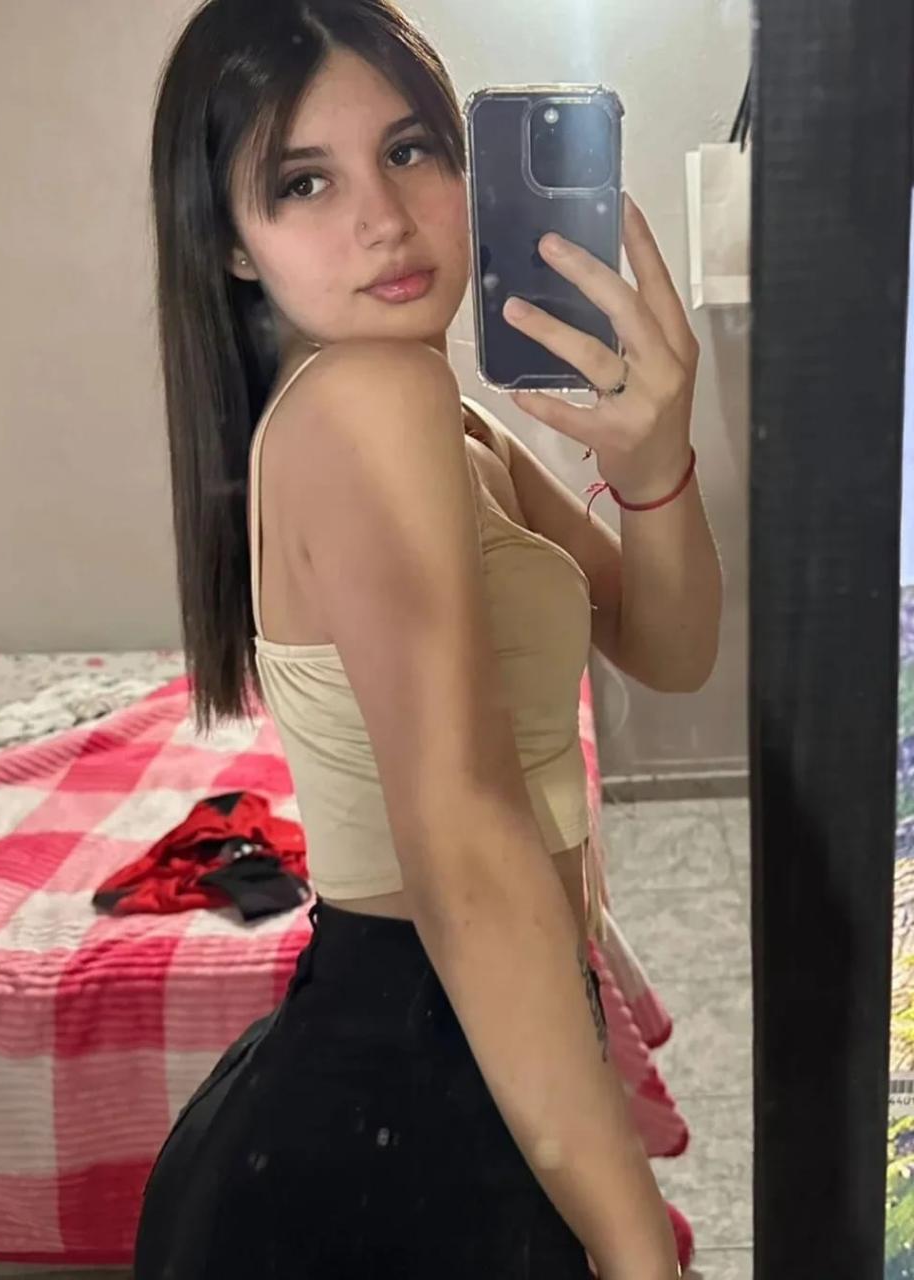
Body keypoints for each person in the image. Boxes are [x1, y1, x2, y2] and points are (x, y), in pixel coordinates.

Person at [135, 0, 722, 1276]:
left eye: (409, 150)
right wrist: (641, 1253)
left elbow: (669, 648)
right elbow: (462, 837)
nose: (385, 219)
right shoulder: (371, 396)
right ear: (230, 241)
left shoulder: (439, 410)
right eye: (303, 181)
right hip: (410, 1096)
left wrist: (656, 469)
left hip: (446, 1044)